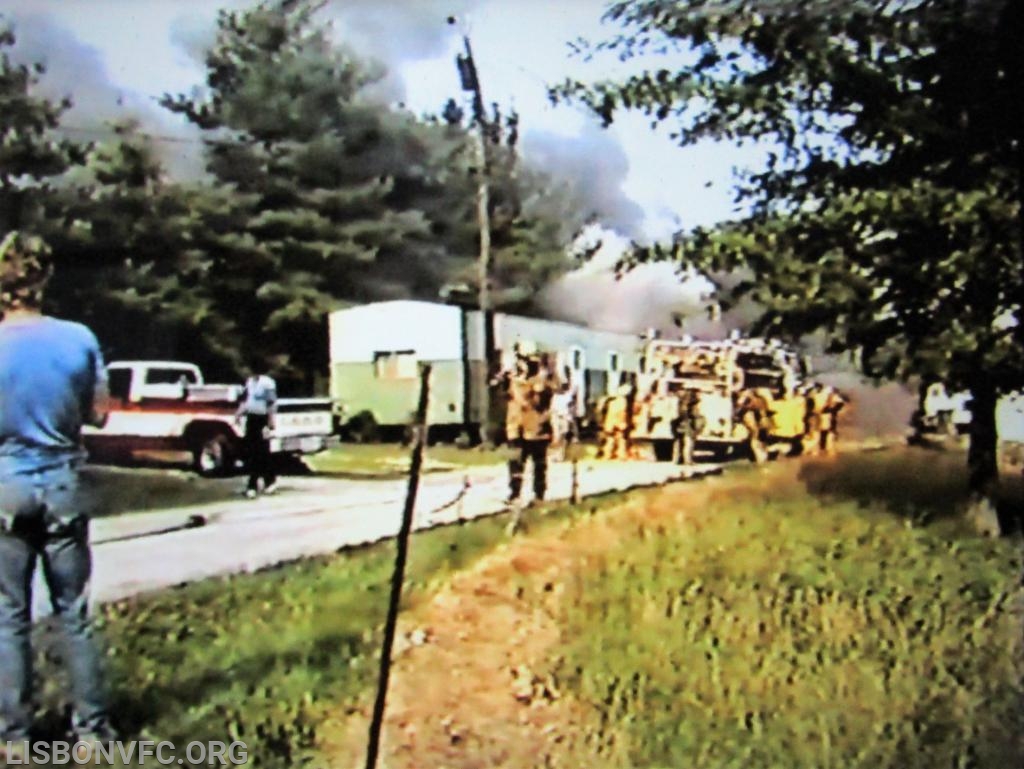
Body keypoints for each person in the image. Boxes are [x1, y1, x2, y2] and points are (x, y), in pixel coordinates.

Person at [0, 231, 115, 749]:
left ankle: (16, 737)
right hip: (63, 479)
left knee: (8, 616)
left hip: (6, 482)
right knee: (73, 612)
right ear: (44, 277)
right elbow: (99, 414)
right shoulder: (80, 339)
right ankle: (91, 731)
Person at [499, 344, 557, 507]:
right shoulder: (512, 380)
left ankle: (539, 495)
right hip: (516, 429)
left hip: (536, 430)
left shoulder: (541, 383)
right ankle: (514, 494)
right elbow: (500, 391)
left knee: (539, 466)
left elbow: (536, 403)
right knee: (515, 465)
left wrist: (524, 384)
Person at [237, 363, 278, 498]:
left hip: (262, 418)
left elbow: (271, 402)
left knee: (261, 451)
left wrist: (271, 420)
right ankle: (264, 481)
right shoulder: (250, 382)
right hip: (252, 418)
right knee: (252, 451)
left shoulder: (267, 383)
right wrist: (238, 415)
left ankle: (257, 484)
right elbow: (246, 401)